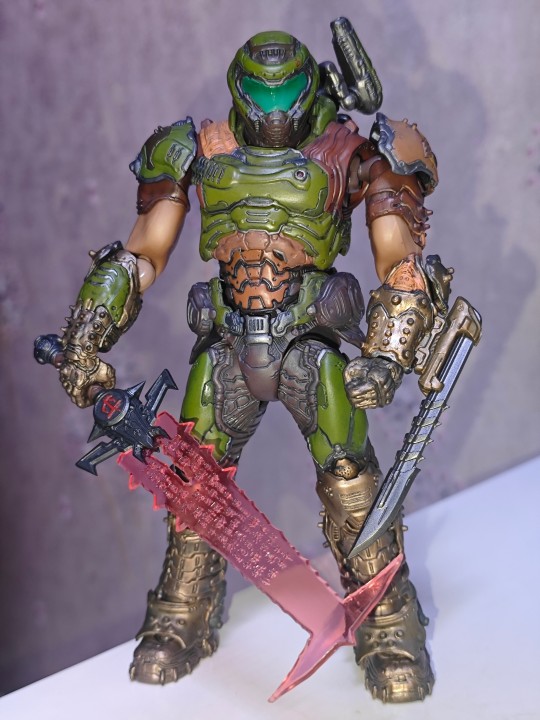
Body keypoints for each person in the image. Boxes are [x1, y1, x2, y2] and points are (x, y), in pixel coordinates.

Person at [58, 27, 442, 703]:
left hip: (308, 342)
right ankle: (184, 613)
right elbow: (141, 254)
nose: (272, 121)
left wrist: (386, 356)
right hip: (228, 344)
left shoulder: (350, 152)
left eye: (284, 105)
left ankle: (387, 619)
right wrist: (86, 335)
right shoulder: (199, 150)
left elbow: (402, 265)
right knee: (193, 487)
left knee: (351, 484)